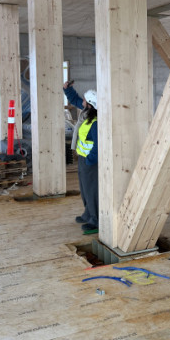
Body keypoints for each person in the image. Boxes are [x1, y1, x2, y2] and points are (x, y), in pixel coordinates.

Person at [63, 81, 99, 232]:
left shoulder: (95, 123)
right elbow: (75, 99)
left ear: (89, 104)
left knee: (92, 190)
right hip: (83, 159)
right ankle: (88, 213)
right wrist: (68, 89)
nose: (81, 101)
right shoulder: (87, 113)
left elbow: (98, 145)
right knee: (84, 189)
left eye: (84, 100)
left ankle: (95, 220)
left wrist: (90, 159)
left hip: (90, 162)